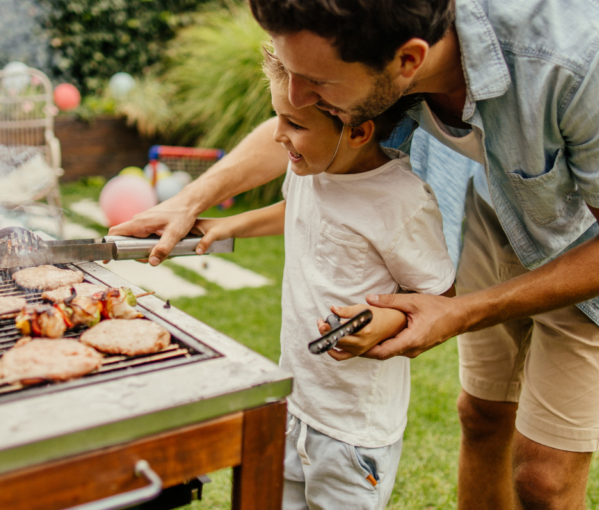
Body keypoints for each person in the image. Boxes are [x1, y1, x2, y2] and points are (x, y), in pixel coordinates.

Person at [112, 0, 599, 508]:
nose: (295, 95)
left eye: (318, 83)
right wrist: (194, 199)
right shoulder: (375, 21)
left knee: (544, 478)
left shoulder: (579, 48)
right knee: (482, 416)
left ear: (408, 62)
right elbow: (304, 122)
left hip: (597, 232)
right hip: (494, 199)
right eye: (289, 71)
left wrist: (460, 310)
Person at [193, 49, 454, 509]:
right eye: (278, 117)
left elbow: (438, 295)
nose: (278, 136)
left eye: (294, 124)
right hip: (295, 402)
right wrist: (227, 225)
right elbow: (297, 210)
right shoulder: (312, 170)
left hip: (353, 429)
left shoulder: (402, 202)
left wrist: (383, 321)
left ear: (357, 131)